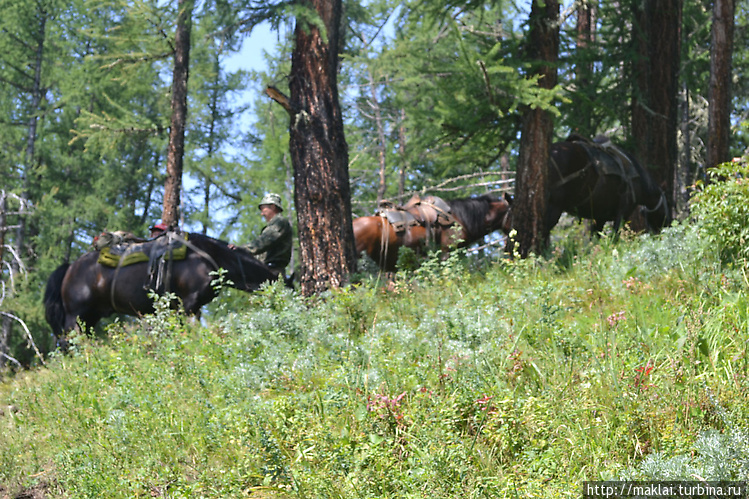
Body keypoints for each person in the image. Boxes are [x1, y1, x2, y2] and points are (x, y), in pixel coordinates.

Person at [231, 193, 292, 274]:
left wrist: (242, 249)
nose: (262, 214)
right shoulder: (272, 225)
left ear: (273, 206)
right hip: (265, 269)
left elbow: (264, 241)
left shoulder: (280, 222)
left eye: (263, 209)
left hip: (273, 271)